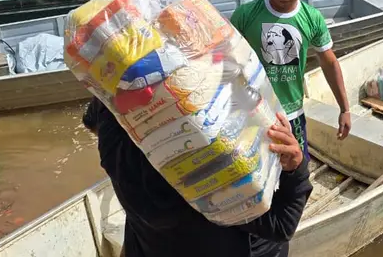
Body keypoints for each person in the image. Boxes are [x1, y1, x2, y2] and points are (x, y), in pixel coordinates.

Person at [82, 96, 313, 257]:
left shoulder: (108, 111)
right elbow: (282, 224)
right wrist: (296, 169)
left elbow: (90, 122)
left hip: (149, 245)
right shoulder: (209, 165)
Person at [230, 0, 352, 157]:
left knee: (296, 174)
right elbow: (226, 60)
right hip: (253, 112)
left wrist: (345, 109)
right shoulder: (245, 14)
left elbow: (329, 62)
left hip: (292, 114)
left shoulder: (312, 18)